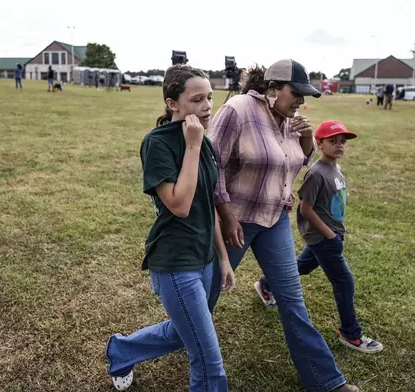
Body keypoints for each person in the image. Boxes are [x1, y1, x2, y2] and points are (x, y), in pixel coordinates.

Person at [208, 59, 358, 392]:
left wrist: (306, 141)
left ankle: (325, 382)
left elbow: (291, 165)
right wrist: (227, 214)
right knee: (202, 300)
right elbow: (211, 165)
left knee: (292, 301)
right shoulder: (238, 110)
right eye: (296, 93)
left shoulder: (290, 120)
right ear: (272, 89)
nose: (301, 102)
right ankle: (144, 345)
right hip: (236, 221)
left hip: (274, 219)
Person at [105, 64, 235, 392]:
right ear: (172, 103)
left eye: (210, 97)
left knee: (183, 332)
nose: (207, 106)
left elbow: (207, 206)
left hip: (205, 258)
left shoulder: (204, 142)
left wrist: (222, 258)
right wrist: (192, 146)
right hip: (176, 264)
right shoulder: (158, 144)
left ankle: (122, 349)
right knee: (208, 360)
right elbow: (180, 204)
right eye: (197, 100)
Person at [255, 120, 384, 354]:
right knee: (344, 282)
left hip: (330, 235)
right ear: (319, 143)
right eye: (333, 141)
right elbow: (305, 209)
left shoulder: (336, 168)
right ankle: (350, 333)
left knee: (300, 267)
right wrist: (330, 235)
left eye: (342, 142)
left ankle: (265, 284)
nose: (339, 146)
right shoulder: (316, 173)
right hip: (324, 238)